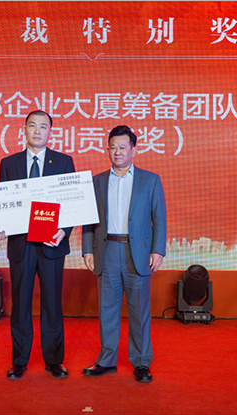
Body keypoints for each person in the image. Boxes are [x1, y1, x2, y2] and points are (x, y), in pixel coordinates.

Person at [81, 125, 167, 383]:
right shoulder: (97, 182)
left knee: (139, 311)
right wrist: (87, 249)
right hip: (106, 251)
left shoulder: (150, 180)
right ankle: (106, 360)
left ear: (133, 150)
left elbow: (159, 219)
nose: (117, 152)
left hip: (137, 252)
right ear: (107, 150)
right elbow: (88, 220)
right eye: (113, 147)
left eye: (122, 147)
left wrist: (158, 250)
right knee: (107, 309)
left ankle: (141, 362)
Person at [0, 110, 75, 379]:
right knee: (21, 303)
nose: (37, 131)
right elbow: (2, 202)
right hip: (21, 244)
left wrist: (64, 231)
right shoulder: (9, 163)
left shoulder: (63, 162)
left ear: (50, 132)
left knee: (52, 303)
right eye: (32, 126)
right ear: (24, 130)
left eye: (43, 126)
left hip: (52, 243)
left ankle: (54, 360)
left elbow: (73, 203)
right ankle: (19, 360)